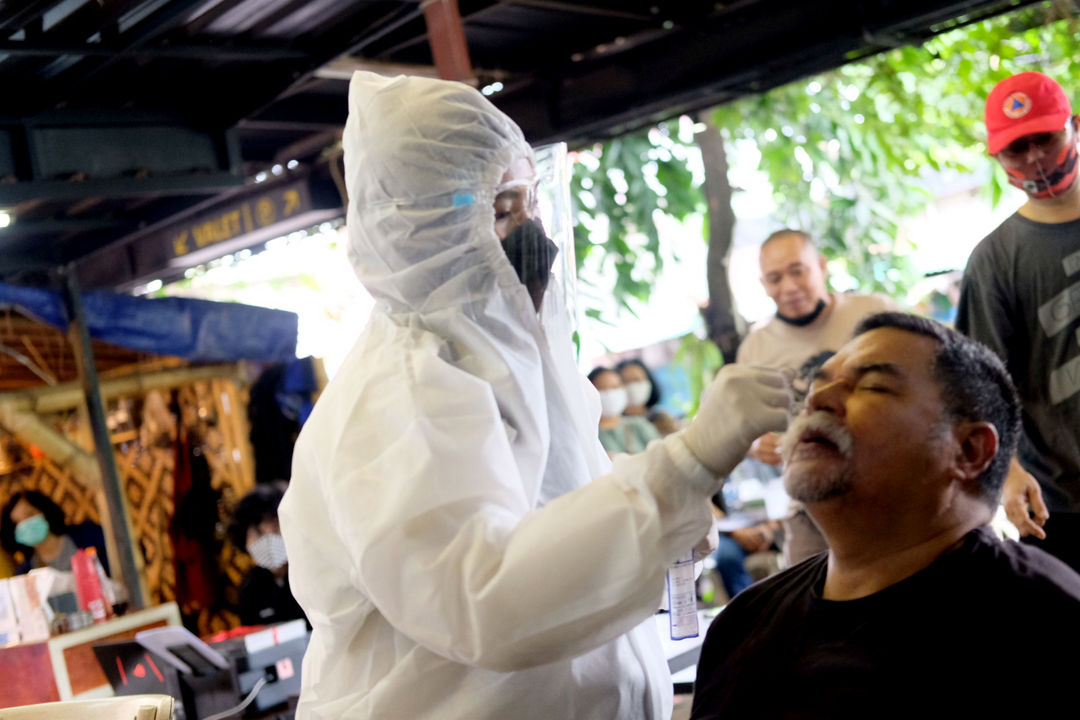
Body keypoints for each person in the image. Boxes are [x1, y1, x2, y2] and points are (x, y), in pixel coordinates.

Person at [277, 71, 790, 720]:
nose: (534, 238)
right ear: (420, 230)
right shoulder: (397, 397)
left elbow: (553, 537)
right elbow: (484, 601)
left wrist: (652, 534)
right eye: (501, 209)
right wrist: (681, 468)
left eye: (533, 204)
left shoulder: (521, 371)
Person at [690, 312, 1080, 718]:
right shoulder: (745, 625)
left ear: (969, 451)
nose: (817, 401)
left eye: (873, 386)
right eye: (815, 388)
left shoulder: (1044, 625)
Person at [957, 71, 1080, 571]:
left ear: (1074, 127)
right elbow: (980, 387)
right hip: (1064, 503)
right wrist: (1007, 471)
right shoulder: (993, 262)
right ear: (997, 158)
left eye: (1044, 139)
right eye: (1016, 148)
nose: (1034, 158)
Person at [737, 229, 895, 564]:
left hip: (887, 484)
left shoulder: (873, 313)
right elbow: (744, 429)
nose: (789, 287)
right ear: (763, 284)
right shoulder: (756, 349)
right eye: (775, 278)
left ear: (822, 266)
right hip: (810, 505)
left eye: (798, 271)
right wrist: (756, 444)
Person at [227, 482, 305, 627]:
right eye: (259, 532)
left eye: (276, 528)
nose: (269, 539)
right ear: (244, 539)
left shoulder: (312, 573)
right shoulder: (249, 588)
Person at [0, 490, 109, 575]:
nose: (25, 524)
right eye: (17, 522)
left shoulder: (88, 534)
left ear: (45, 511)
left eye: (29, 514)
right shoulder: (25, 573)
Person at [587, 366, 662, 454]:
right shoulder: (590, 436)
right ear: (590, 393)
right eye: (602, 388)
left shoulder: (638, 424)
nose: (610, 393)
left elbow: (661, 455)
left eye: (615, 387)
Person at [616, 358, 680, 436]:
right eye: (625, 381)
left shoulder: (661, 417)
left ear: (648, 381)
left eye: (637, 379)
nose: (632, 385)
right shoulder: (615, 424)